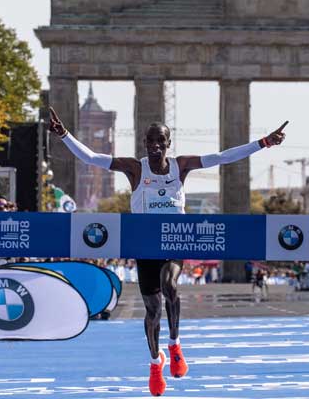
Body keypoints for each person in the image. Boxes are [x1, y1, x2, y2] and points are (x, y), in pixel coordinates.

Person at [50, 107, 286, 396]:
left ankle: (175, 345)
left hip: (175, 240)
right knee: (152, 310)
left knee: (170, 285)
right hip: (144, 245)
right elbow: (91, 158)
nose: (155, 146)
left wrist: (263, 143)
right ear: (145, 144)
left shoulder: (181, 166)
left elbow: (223, 157)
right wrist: (64, 135)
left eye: (161, 141)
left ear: (168, 144)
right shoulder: (135, 168)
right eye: (150, 141)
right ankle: (154, 362)